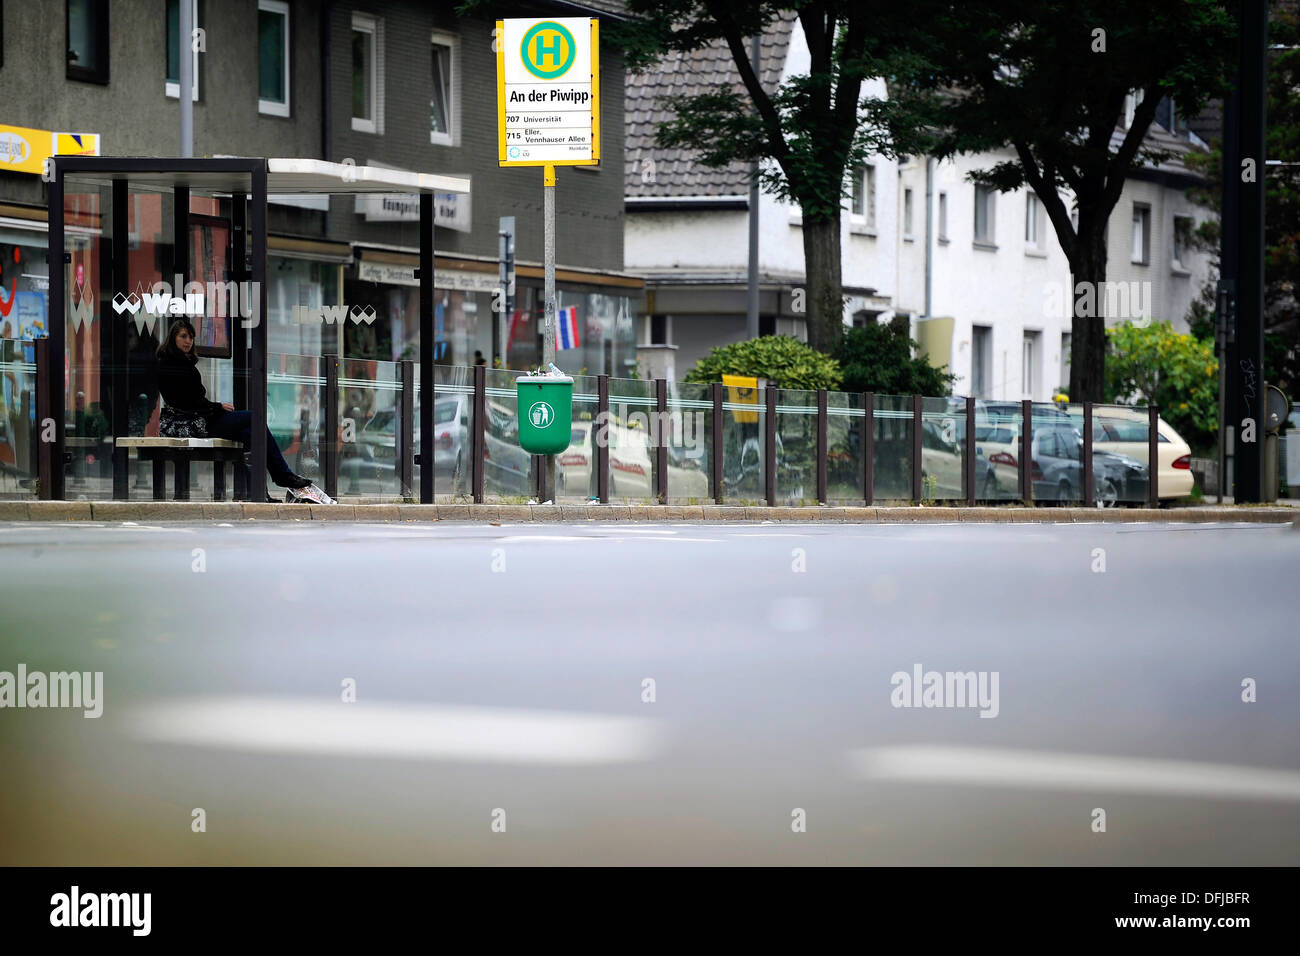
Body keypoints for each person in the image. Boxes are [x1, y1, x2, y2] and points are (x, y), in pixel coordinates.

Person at [156, 318, 311, 497]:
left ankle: (259, 493)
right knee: (254, 418)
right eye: (183, 336)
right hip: (187, 424)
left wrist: (215, 407)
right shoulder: (170, 364)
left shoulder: (184, 363)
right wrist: (217, 407)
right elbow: (186, 401)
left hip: (198, 419)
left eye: (191, 337)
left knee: (249, 433)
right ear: (173, 338)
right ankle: (282, 475)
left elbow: (193, 400)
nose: (188, 341)